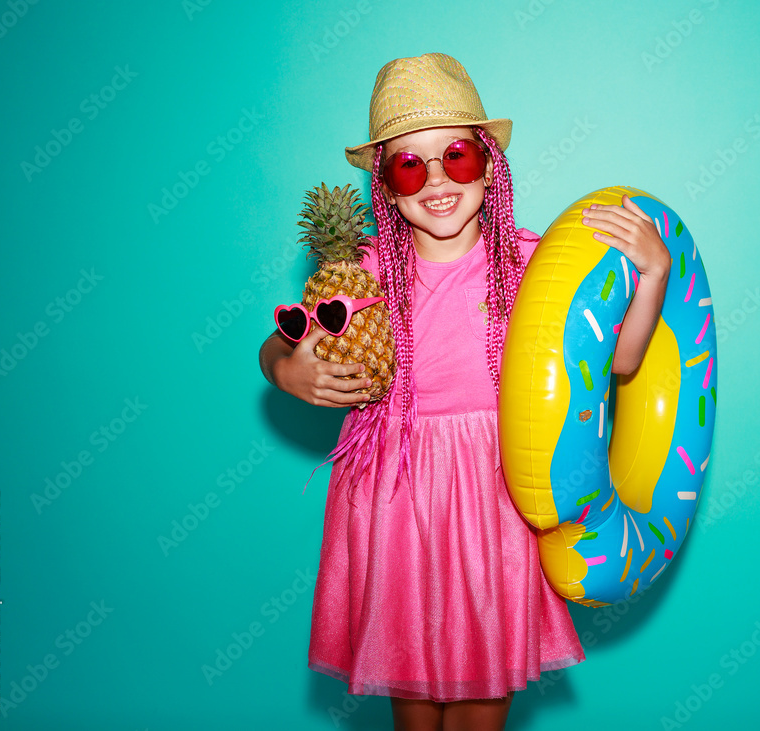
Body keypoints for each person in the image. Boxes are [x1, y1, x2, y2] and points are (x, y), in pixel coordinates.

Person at [258, 52, 671, 731]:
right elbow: (282, 339)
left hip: (495, 497)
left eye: (456, 156)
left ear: (489, 164)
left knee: (483, 698)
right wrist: (285, 367)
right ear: (386, 188)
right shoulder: (361, 271)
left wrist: (652, 275)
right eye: (409, 166)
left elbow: (621, 362)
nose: (437, 181)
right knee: (413, 700)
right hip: (395, 497)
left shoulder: (535, 262)